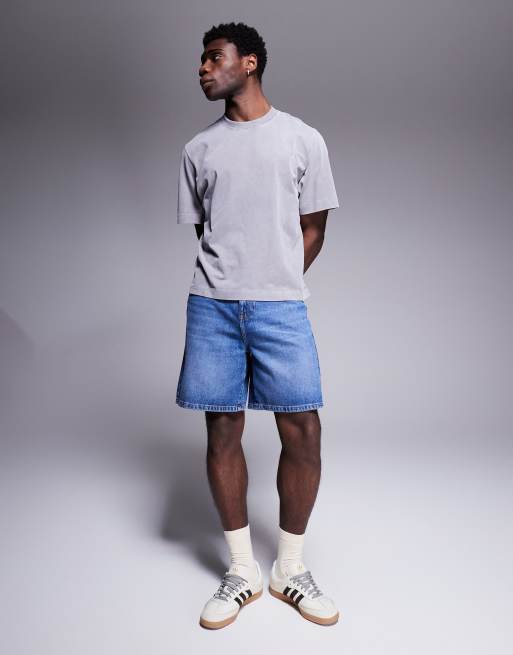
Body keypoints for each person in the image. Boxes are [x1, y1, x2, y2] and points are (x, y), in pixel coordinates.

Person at [175, 21, 341, 629]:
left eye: (213, 57)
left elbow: (314, 226)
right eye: (200, 60)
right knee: (223, 430)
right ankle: (242, 569)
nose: (202, 68)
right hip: (213, 306)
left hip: (281, 307)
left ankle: (288, 568)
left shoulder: (302, 139)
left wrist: (277, 279)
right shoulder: (198, 150)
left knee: (303, 429)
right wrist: (237, 279)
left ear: (249, 63)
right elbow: (209, 232)